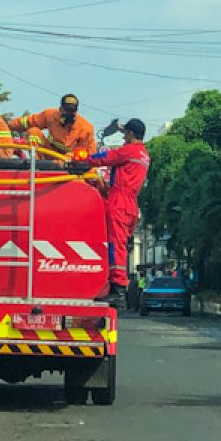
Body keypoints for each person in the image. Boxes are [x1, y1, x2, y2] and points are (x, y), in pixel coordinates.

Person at [86, 118, 150, 305]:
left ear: (131, 133)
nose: (123, 137)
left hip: (120, 201)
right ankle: (111, 284)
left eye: (125, 134)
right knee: (119, 243)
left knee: (115, 244)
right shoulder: (143, 154)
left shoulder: (130, 150)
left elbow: (106, 158)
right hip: (130, 203)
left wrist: (82, 159)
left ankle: (118, 287)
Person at [7, 93, 97, 156]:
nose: (69, 114)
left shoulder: (86, 128)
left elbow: (90, 153)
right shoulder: (49, 115)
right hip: (49, 155)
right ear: (60, 109)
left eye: (72, 111)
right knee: (33, 132)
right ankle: (36, 163)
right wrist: (6, 125)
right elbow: (28, 122)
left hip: (70, 163)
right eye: (67, 110)